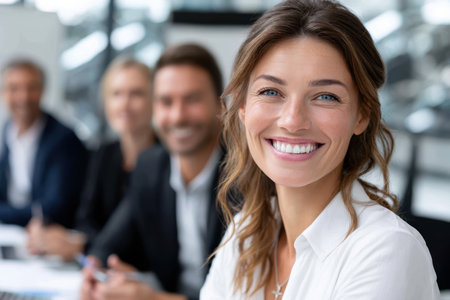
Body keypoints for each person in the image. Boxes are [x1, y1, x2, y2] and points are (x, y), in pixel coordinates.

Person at [201, 1, 440, 299]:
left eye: (326, 96)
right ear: (243, 108)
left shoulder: (386, 251)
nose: (292, 121)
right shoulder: (244, 234)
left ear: (362, 115)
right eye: (271, 92)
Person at [81, 43, 228, 300]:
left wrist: (153, 298)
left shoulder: (248, 175)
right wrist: (99, 272)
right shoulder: (150, 166)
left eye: (192, 99)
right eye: (166, 101)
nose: (177, 116)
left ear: (220, 106)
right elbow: (106, 245)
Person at [26, 58, 157, 260]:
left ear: (155, 100)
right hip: (101, 265)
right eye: (116, 94)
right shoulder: (104, 153)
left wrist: (83, 245)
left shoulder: (165, 159)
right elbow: (85, 220)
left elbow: (147, 239)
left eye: (136, 93)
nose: (124, 104)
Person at [0, 59, 87, 227]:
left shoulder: (63, 139)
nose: (23, 96)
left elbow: (54, 207)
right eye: (14, 88)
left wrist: (3, 213)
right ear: (3, 93)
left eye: (31, 88)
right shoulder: (7, 130)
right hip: (13, 230)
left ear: (42, 91)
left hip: (51, 232)